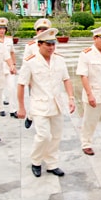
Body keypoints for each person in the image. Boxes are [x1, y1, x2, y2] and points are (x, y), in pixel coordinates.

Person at [17, 27, 76, 177]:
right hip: (39, 104)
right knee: (44, 136)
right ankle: (36, 161)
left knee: (56, 136)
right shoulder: (30, 62)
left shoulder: (59, 60)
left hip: (56, 104)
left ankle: (52, 163)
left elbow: (66, 79)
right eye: (47, 44)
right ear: (39, 44)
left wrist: (71, 98)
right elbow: (21, 84)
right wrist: (21, 107)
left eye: (53, 44)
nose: (51, 47)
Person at [76, 24, 101, 156]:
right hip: (94, 95)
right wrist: (89, 94)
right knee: (89, 122)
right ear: (95, 38)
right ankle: (86, 144)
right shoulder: (86, 54)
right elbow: (83, 75)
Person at [22, 18, 52, 128]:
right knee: (35, 99)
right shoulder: (30, 46)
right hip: (35, 78)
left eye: (45, 30)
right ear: (36, 31)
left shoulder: (51, 44)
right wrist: (28, 80)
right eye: (40, 30)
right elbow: (26, 63)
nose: (43, 32)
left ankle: (45, 117)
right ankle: (31, 116)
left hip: (48, 77)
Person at [0, 17, 17, 118]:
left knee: (12, 88)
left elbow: (12, 52)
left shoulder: (9, 40)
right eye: (0, 28)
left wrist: (14, 65)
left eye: (3, 28)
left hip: (9, 68)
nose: (2, 30)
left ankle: (13, 110)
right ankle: (1, 109)